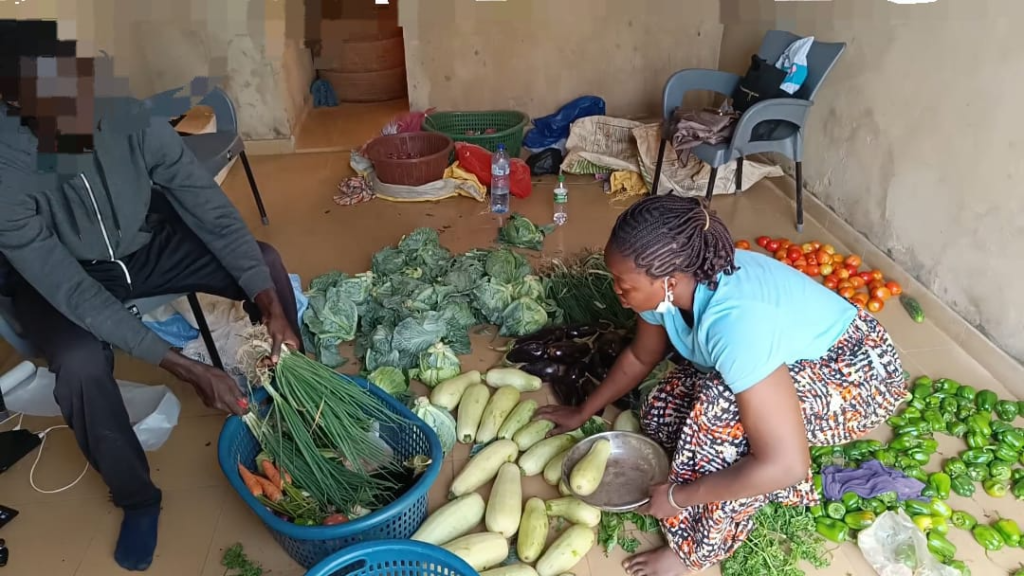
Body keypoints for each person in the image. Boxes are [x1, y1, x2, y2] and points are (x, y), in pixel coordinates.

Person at [0, 20, 300, 572]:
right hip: (64, 274)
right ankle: (138, 499)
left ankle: (301, 412)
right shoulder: (6, 165)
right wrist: (182, 366)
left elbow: (204, 206)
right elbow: (70, 289)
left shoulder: (124, 113)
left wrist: (272, 305)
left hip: (143, 243)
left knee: (267, 265)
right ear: (14, 102)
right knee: (80, 361)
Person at [537, 195, 907, 575]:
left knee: (721, 420)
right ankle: (717, 468)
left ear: (669, 280)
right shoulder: (663, 289)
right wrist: (583, 411)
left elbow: (787, 464)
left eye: (622, 282)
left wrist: (680, 497)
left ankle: (693, 553)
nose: (616, 289)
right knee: (662, 407)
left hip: (857, 374)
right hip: (787, 354)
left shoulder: (737, 324)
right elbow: (639, 358)